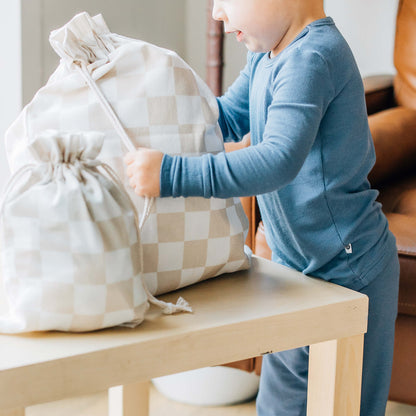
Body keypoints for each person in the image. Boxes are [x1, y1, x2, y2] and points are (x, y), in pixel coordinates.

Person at [124, 0, 400, 414]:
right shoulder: (265, 55)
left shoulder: (314, 56)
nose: (217, 13)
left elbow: (277, 159)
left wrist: (172, 175)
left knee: (348, 405)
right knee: (280, 402)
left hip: (350, 270)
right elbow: (224, 117)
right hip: (294, 271)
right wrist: (157, 115)